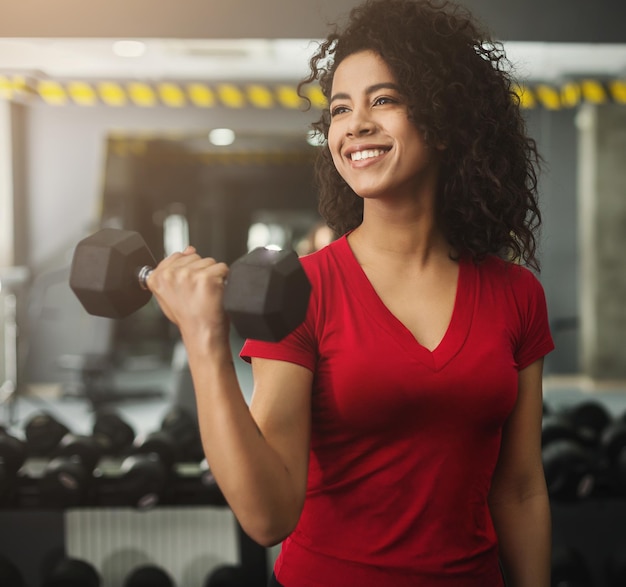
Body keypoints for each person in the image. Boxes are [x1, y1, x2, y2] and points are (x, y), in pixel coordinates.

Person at [146, 0, 555, 585]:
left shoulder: (516, 294)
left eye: (383, 100)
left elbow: (518, 488)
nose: (356, 124)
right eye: (341, 109)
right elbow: (267, 517)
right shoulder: (302, 289)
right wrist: (203, 339)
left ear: (445, 119)